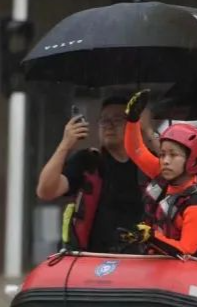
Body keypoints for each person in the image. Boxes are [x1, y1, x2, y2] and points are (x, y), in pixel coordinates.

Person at [36, 96, 149, 253]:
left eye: (117, 120)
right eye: (103, 120)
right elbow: (46, 191)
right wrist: (65, 144)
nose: (108, 126)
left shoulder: (148, 164)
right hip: (92, 258)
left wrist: (148, 131)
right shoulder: (89, 161)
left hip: (141, 260)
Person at [122, 90, 197, 258]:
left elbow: (186, 250)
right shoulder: (164, 173)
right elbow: (135, 150)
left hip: (191, 270)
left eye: (173, 155)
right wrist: (132, 120)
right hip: (158, 260)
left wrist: (150, 237)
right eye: (162, 154)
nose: (165, 161)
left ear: (192, 160)